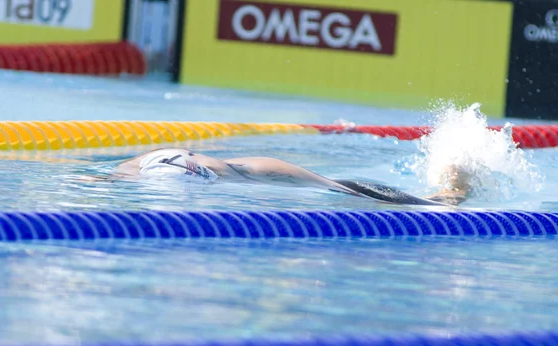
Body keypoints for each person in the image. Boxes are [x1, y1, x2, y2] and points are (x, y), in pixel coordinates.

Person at [100, 148, 472, 207]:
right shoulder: (141, 167)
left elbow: (334, 187)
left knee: (436, 206)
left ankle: (455, 186)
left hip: (333, 182)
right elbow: (123, 170)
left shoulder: (260, 171)